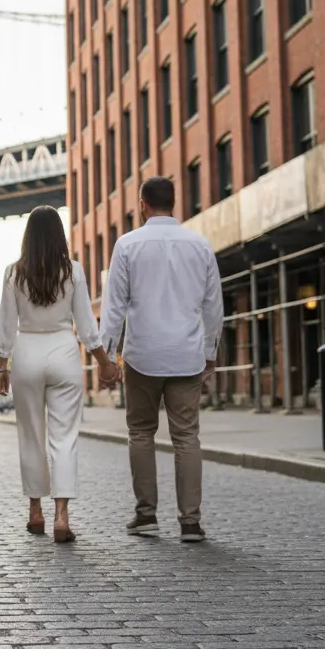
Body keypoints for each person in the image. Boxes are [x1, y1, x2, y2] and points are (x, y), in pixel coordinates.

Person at [99, 177, 223, 544]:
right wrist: (210, 354)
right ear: (176, 201)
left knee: (141, 433)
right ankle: (190, 523)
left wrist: (108, 357)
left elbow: (114, 308)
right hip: (187, 355)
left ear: (142, 204)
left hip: (142, 355)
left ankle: (146, 515)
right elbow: (213, 305)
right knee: (187, 437)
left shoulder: (127, 245)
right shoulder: (200, 245)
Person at [0, 205, 119, 544]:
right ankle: (62, 517)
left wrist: (2, 365)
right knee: (64, 438)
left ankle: (36, 511)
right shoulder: (73, 271)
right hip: (64, 352)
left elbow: (6, 322)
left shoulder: (13, 272)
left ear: (28, 237)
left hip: (27, 353)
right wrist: (105, 362)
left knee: (31, 436)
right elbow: (85, 324)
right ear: (59, 235)